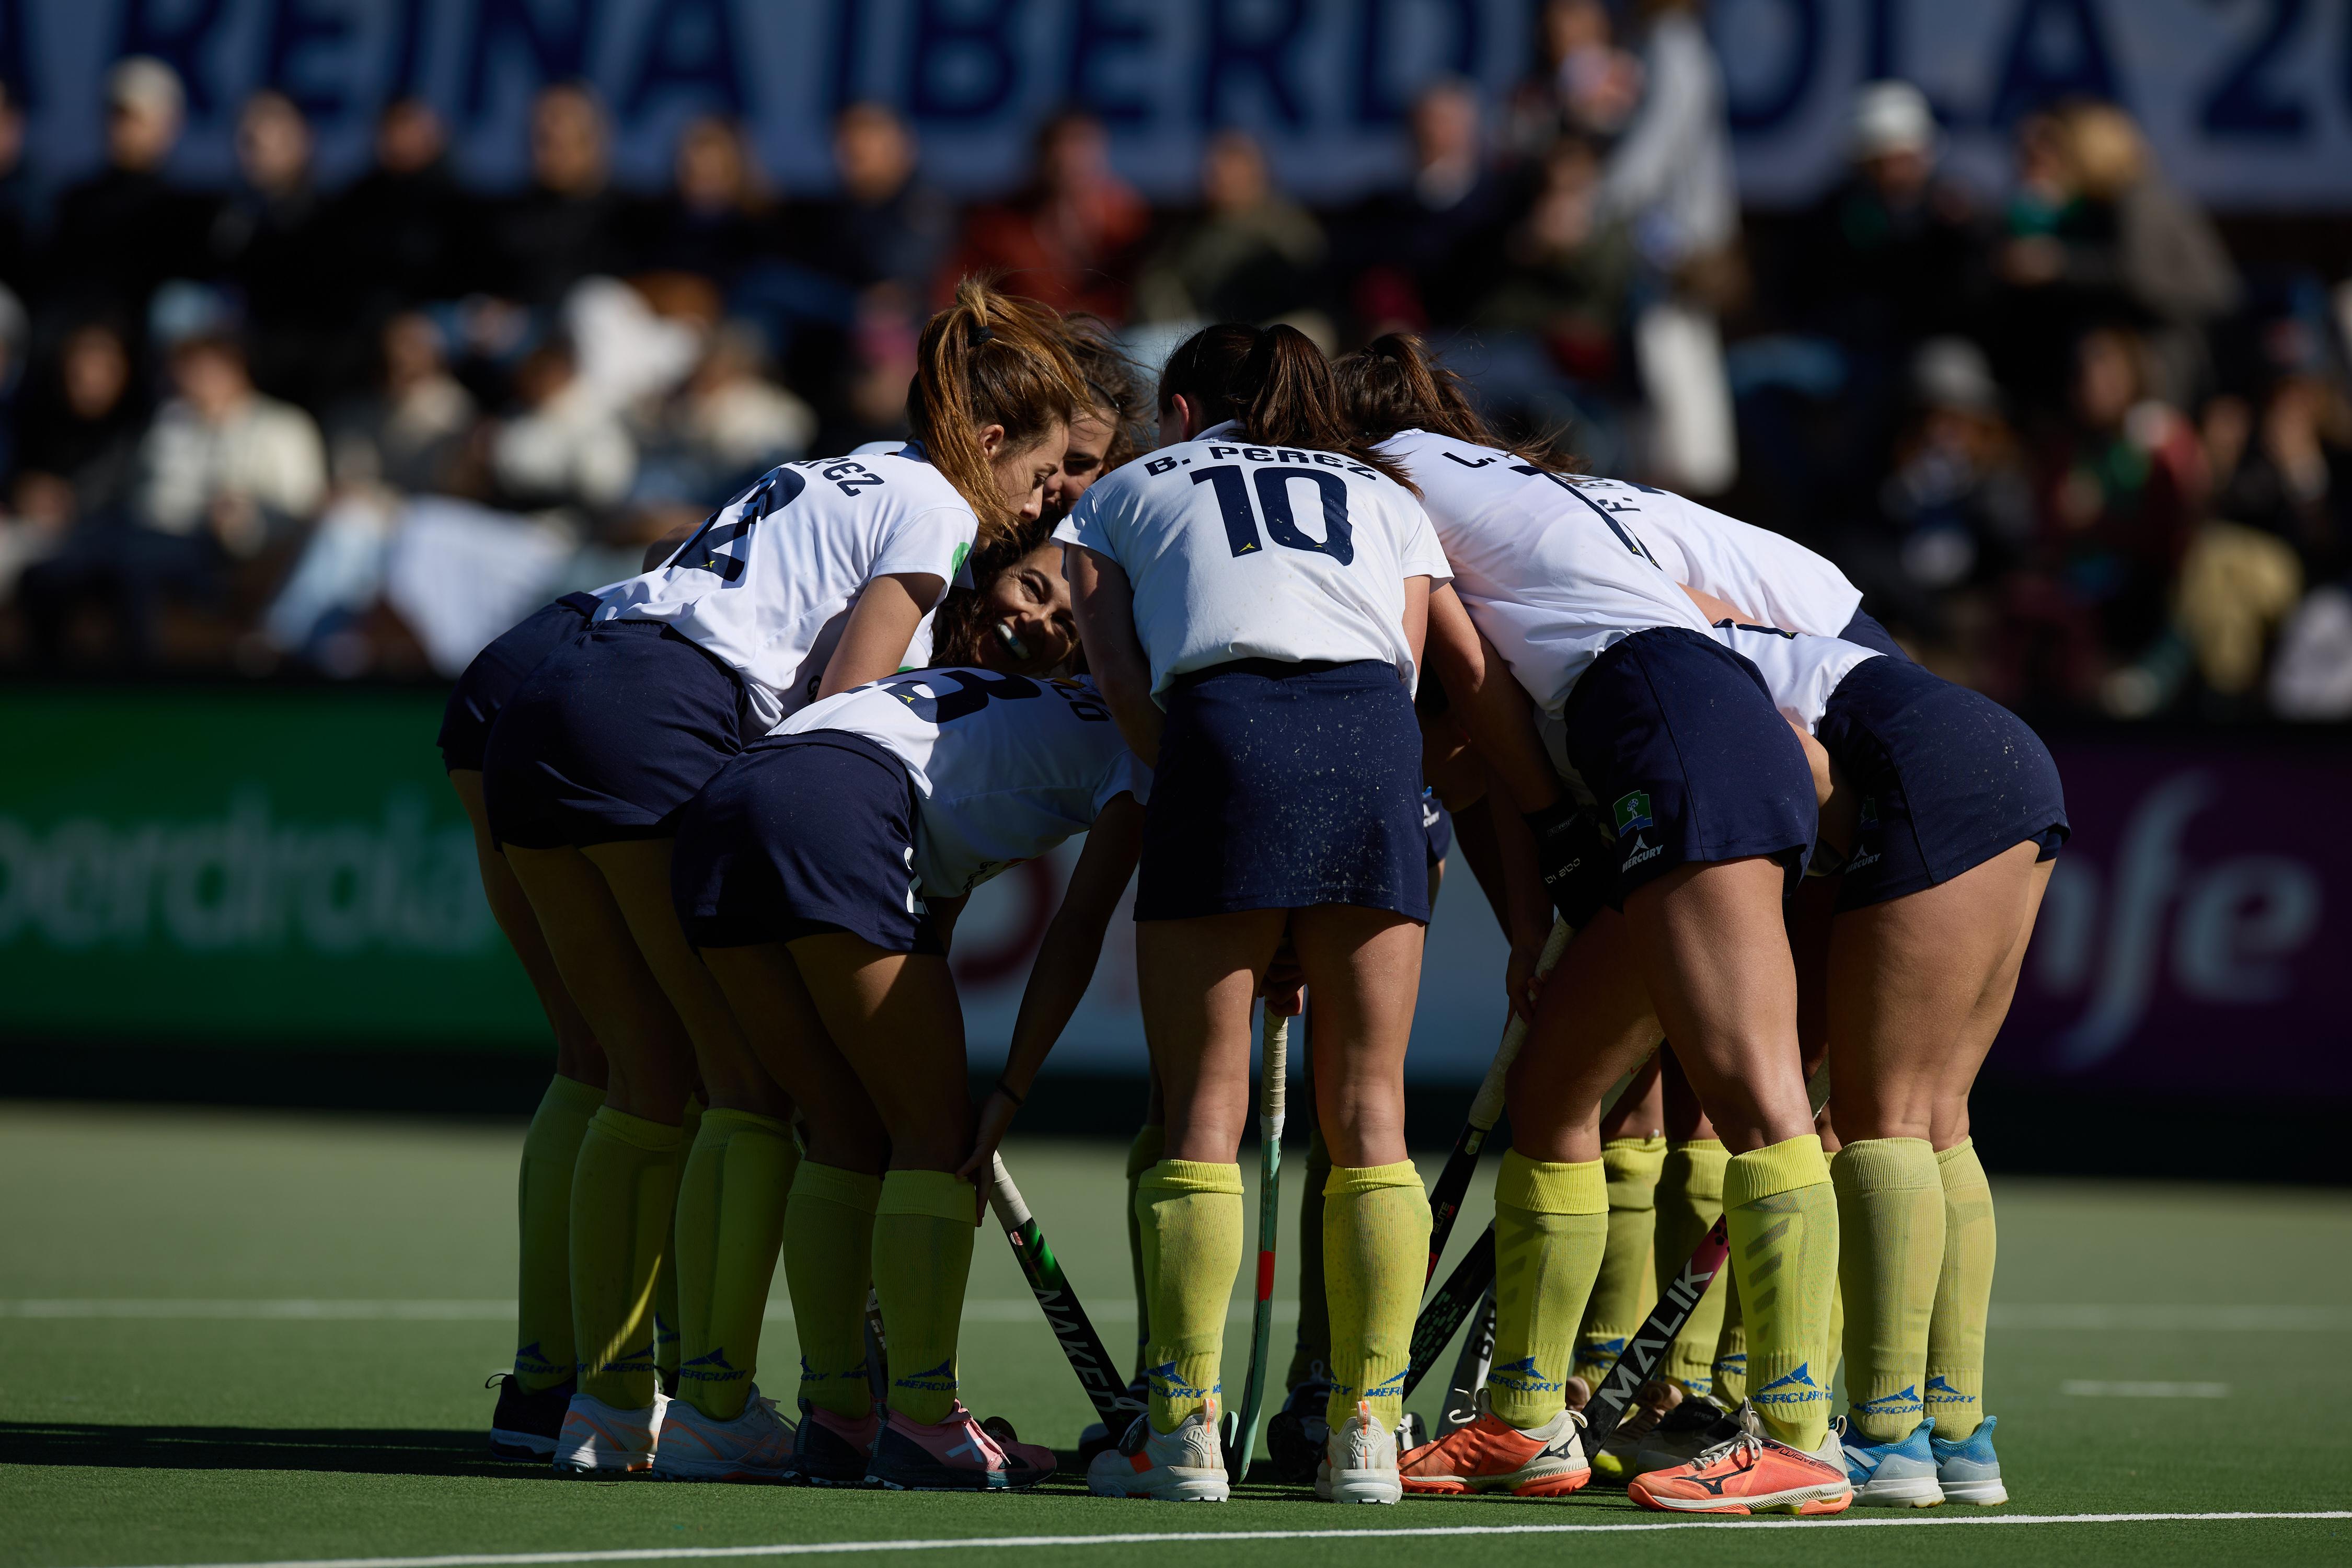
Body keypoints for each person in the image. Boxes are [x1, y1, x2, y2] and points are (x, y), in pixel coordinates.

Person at [478, 282, 1086, 1476]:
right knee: (743, 1083)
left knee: (636, 1069)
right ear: (994, 441)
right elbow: (837, 712)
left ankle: (600, 1406)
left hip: (551, 691)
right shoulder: (934, 505)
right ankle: (707, 1404)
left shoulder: (840, 466)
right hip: (662, 718)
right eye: (1048, 470)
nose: (1050, 500)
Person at [1335, 334, 1852, 1515]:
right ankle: (1526, 1423)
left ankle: (1799, 1436)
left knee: (1755, 1095)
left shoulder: (1388, 482)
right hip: (1708, 730)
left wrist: (1544, 864)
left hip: (1669, 736)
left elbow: (1469, 680)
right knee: (1556, 1093)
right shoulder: (1495, 476)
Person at [1063, 323, 1450, 1505]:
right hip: (1373, 736)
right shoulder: (1384, 491)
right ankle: (1369, 1435)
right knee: (1372, 1111)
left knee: (1203, 1108)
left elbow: (1124, 687)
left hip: (1222, 728)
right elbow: (1412, 668)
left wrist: (1222, 803)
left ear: (1179, 411)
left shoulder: (1125, 488)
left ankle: (1181, 1434)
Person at [664, 518, 1125, 1489]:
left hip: (728, 805)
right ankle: (922, 1422)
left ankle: (839, 1416)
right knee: (934, 1140)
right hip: (841, 804)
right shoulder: (1133, 740)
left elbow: (934, 917)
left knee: (839, 1126)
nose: (1046, 619)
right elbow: (1077, 931)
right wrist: (1004, 1097)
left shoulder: (972, 696)